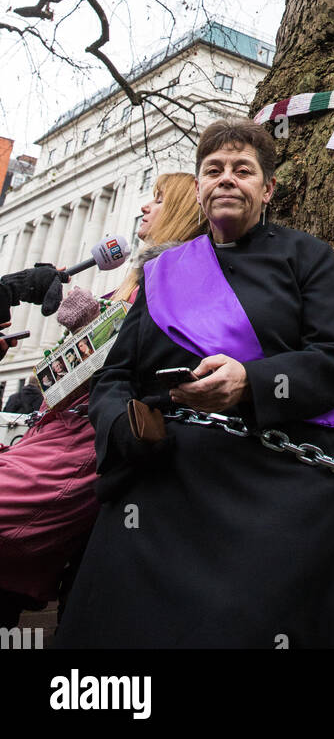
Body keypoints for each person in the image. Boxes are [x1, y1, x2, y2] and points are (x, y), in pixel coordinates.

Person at [55, 118, 334, 649]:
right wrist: (128, 429)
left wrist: (250, 382)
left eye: (243, 170)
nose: (227, 179)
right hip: (166, 474)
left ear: (268, 188)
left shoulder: (307, 257)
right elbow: (114, 379)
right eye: (214, 170)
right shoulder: (161, 272)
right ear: (201, 185)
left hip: (279, 472)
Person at [0, 174, 204, 630]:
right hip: (53, 436)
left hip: (81, 448)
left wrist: (79, 307)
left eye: (158, 200)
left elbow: (139, 353)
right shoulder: (133, 279)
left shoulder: (178, 280)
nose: (144, 208)